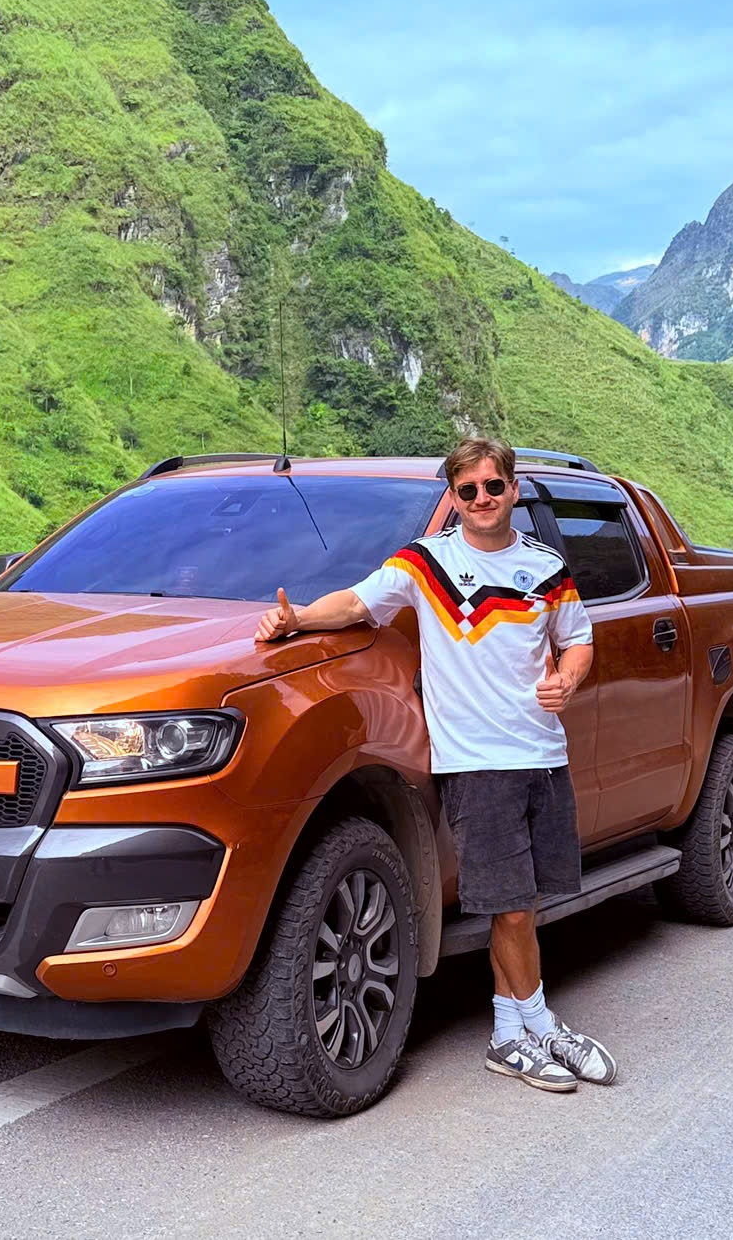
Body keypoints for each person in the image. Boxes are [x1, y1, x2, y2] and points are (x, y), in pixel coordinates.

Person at [254, 436, 615, 1090]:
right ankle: (541, 1024)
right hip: (477, 763)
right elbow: (356, 602)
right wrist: (298, 618)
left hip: (542, 753)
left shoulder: (544, 567)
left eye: (493, 486)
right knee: (510, 908)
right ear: (454, 496)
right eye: (468, 490)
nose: (482, 499)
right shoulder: (426, 563)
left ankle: (509, 1037)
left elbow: (579, 639)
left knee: (520, 905)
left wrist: (568, 677)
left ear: (512, 490)